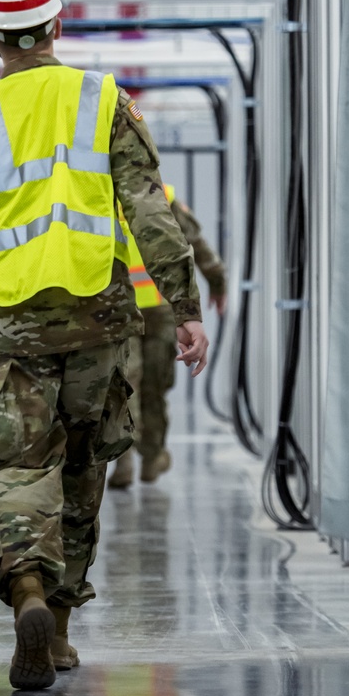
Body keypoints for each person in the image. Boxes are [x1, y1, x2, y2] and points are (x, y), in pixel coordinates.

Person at [0, 0, 208, 692]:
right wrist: (184, 307)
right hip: (100, 322)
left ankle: (27, 588)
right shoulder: (106, 101)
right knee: (81, 468)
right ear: (57, 25)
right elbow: (152, 213)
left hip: (11, 328)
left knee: (16, 466)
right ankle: (59, 630)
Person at [109, 187, 228, 489]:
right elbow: (194, 242)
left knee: (139, 383)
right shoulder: (155, 195)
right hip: (142, 307)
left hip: (132, 307)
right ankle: (139, 457)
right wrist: (216, 279)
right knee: (141, 384)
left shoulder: (104, 191)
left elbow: (192, 241)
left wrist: (216, 278)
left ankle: (139, 456)